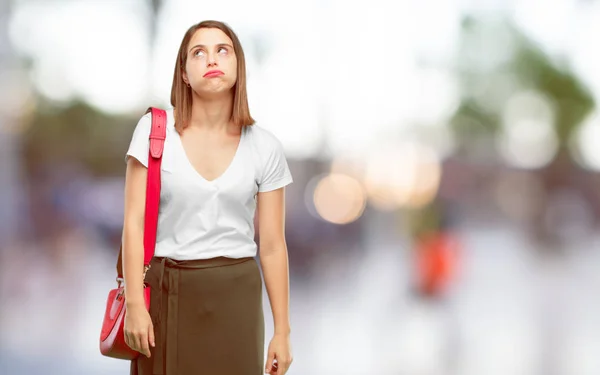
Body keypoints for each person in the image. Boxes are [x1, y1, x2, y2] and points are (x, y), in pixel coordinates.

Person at [121, 20, 294, 375]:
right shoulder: (155, 132)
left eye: (222, 50)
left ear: (237, 65)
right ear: (184, 73)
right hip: (167, 294)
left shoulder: (265, 147)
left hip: (237, 298)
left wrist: (282, 331)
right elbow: (134, 223)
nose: (211, 59)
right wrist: (135, 304)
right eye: (198, 52)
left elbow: (273, 245)